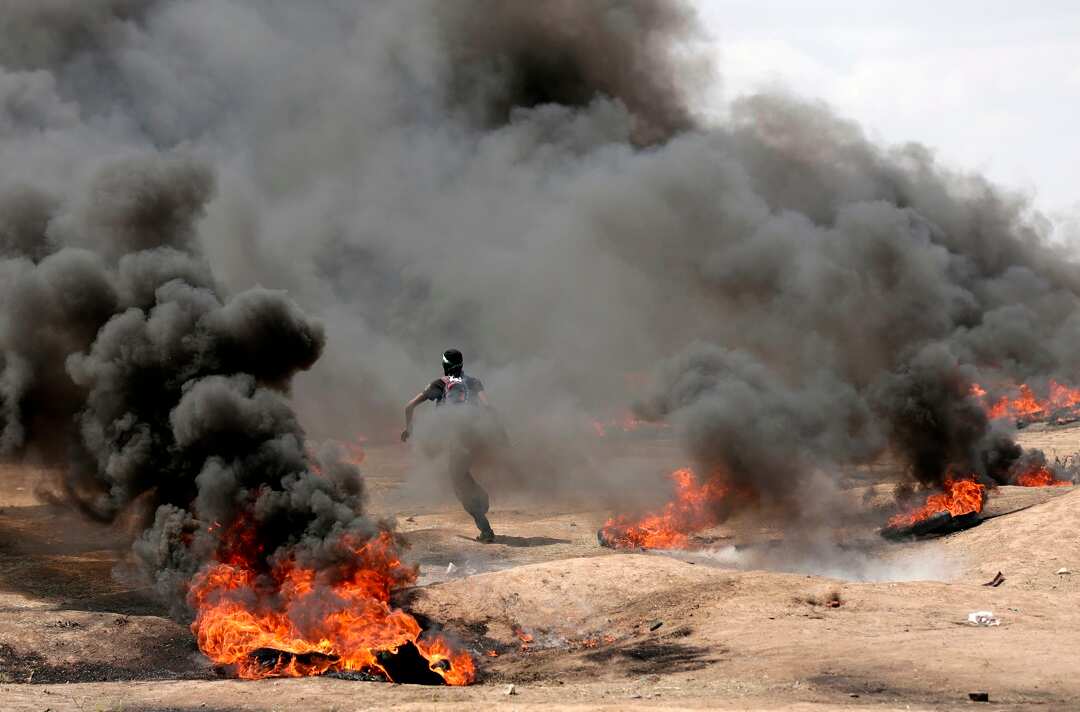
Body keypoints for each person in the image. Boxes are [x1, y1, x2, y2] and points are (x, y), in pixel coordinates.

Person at [401, 349, 496, 542]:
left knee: (457, 483)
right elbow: (488, 408)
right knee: (460, 473)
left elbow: (408, 406)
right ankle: (481, 497)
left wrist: (409, 429)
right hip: (476, 435)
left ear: (444, 365)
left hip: (457, 438)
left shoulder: (440, 383)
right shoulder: (474, 382)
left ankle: (485, 527)